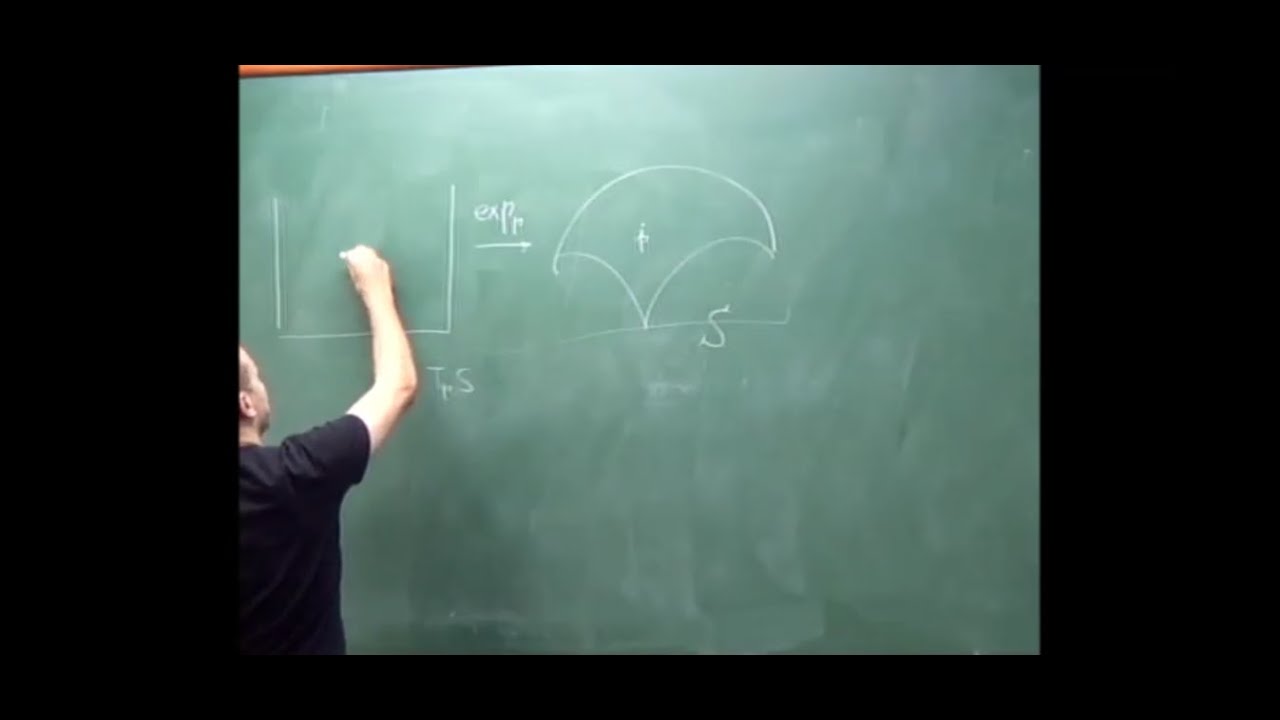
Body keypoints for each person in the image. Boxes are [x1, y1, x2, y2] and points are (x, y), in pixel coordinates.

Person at [239, 245, 420, 655]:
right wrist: (376, 290)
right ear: (246, 404)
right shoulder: (297, 474)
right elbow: (398, 386)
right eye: (257, 377)